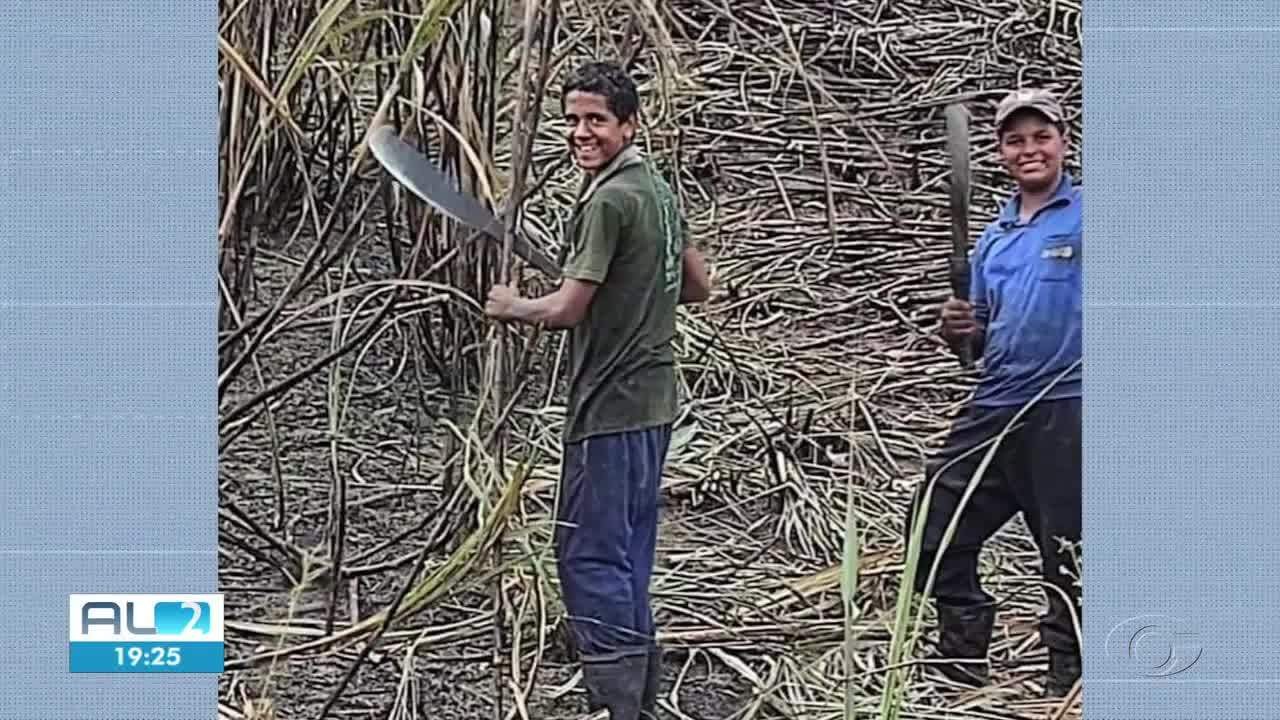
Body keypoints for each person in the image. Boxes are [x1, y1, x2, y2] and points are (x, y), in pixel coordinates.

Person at [484, 61, 713, 719]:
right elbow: (697, 285)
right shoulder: (656, 189)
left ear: (629, 124)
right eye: (574, 121)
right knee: (627, 550)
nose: (583, 133)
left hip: (611, 405)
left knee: (587, 553)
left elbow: (566, 311)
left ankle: (620, 706)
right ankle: (636, 700)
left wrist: (511, 305)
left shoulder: (610, 198)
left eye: (597, 121)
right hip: (656, 401)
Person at [906, 87, 1082, 698]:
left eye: (1041, 136)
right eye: (1015, 140)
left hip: (1069, 403)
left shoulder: (1093, 216)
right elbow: (977, 335)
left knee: (1068, 546)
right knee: (935, 521)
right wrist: (958, 327)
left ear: (1063, 143)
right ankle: (960, 655)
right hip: (998, 400)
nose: (1029, 149)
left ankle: (1069, 674)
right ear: (1001, 153)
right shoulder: (994, 238)